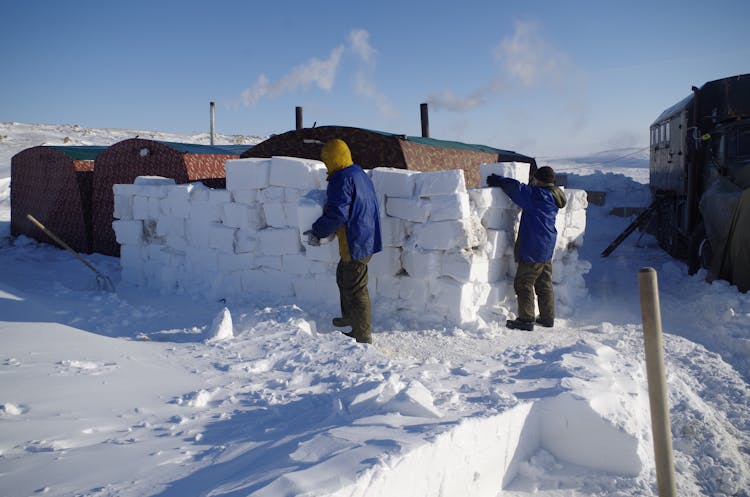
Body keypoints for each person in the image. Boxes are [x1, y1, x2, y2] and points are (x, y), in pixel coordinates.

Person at [305, 139, 382, 344]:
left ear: (332, 158)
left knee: (356, 287)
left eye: (326, 159)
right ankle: (350, 318)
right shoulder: (358, 173)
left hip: (355, 240)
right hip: (367, 235)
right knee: (344, 275)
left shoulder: (340, 179)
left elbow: (338, 213)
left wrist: (318, 231)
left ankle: (362, 334)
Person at [486, 166, 567, 331]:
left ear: (539, 180)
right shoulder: (553, 195)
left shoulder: (538, 195)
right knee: (543, 282)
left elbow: (517, 189)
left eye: (535, 179)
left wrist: (499, 180)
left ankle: (526, 319)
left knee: (523, 282)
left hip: (533, 246)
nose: (533, 181)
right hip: (546, 244)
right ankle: (547, 317)